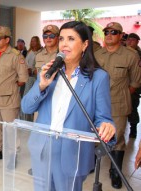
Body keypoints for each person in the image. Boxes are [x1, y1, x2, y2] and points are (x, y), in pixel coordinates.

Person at [22, 21, 116, 191]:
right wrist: (42, 85)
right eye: (62, 39)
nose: (64, 44)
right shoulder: (49, 71)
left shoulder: (98, 77)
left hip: (72, 153)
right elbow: (26, 108)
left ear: (85, 44)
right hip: (42, 147)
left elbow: (103, 118)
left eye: (71, 39)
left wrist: (106, 126)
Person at [95, 22, 141, 189]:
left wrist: (121, 95)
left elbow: (135, 82)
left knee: (118, 138)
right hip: (97, 104)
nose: (109, 34)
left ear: (121, 35)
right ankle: (94, 162)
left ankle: (115, 171)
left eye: (114, 32)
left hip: (119, 104)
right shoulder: (97, 54)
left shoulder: (131, 56)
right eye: (106, 31)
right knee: (95, 135)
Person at [0, 26, 28, 162]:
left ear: (7, 39)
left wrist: (9, 87)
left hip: (9, 99)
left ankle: (12, 154)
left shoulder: (16, 55)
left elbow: (23, 78)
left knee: (10, 129)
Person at [126, 33, 141, 138]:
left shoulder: (139, 54)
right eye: (129, 40)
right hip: (123, 85)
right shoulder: (123, 53)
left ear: (137, 42)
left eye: (133, 40)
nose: (130, 42)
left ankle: (133, 128)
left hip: (135, 87)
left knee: (132, 108)